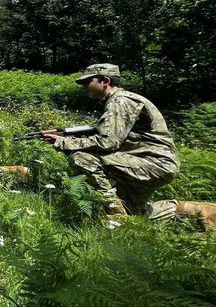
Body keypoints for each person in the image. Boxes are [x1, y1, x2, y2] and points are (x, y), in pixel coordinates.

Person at [40, 63, 215, 228]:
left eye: (88, 81)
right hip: (149, 163)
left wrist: (63, 142)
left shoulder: (120, 101)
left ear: (105, 81)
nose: (84, 86)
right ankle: (198, 210)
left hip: (152, 163)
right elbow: (113, 136)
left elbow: (108, 142)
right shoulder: (121, 101)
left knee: (82, 157)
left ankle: (112, 217)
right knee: (135, 213)